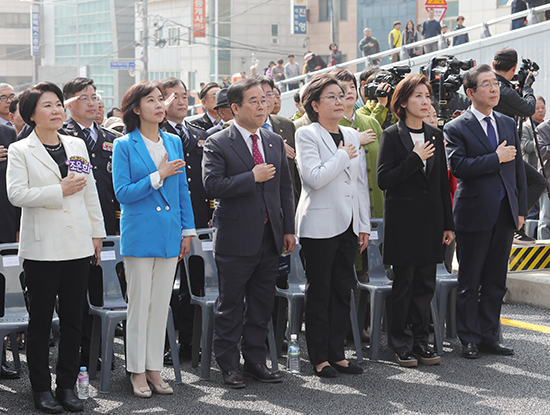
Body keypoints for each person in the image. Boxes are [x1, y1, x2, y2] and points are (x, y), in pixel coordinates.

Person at [6, 81, 105, 413]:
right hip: (42, 248)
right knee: (41, 322)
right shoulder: (22, 150)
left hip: (78, 244)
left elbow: (89, 190)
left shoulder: (76, 144)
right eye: (47, 105)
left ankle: (66, 386)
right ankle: (40, 390)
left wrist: (97, 232)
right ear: (32, 113)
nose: (57, 110)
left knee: (75, 320)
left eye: (59, 105)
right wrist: (57, 190)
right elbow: (17, 195)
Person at [202, 78, 295, 388]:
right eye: (253, 101)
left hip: (271, 236)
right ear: (235, 107)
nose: (261, 105)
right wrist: (250, 177)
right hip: (235, 237)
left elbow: (285, 189)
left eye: (264, 100)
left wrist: (288, 230)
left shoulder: (272, 140)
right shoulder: (217, 142)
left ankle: (255, 360)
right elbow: (213, 187)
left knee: (261, 303)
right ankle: (228, 365)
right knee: (230, 305)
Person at [112, 81, 196, 398]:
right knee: (140, 305)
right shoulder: (124, 145)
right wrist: (157, 175)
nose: (160, 105)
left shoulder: (173, 141)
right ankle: (136, 370)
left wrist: (187, 230)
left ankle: (153, 368)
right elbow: (123, 193)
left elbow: (183, 191)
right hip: (139, 233)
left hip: (170, 232)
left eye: (161, 99)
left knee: (161, 305)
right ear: (136, 108)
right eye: (151, 100)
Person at [444, 64, 527, 359]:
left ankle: (491, 335)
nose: (494, 89)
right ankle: (469, 338)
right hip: (474, 212)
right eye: (487, 84)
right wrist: (495, 158)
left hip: (505, 212)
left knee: (495, 280)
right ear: (470, 92)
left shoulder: (506, 122)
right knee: (470, 280)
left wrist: (520, 209)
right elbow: (459, 168)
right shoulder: (455, 127)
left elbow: (517, 169)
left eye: (496, 84)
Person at [295, 73, 370, 378]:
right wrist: (341, 155)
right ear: (315, 104)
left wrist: (363, 223)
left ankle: (337, 353)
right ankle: (319, 357)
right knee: (320, 292)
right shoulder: (307, 134)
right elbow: (314, 178)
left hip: (349, 223)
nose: (340, 101)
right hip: (319, 224)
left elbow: (360, 184)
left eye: (342, 95)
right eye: (331, 97)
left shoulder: (351, 134)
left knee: (343, 289)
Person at [378, 74, 454, 367]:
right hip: (402, 223)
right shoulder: (391, 135)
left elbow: (440, 184)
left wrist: (448, 224)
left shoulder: (435, 134)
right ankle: (400, 341)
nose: (426, 102)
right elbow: (385, 179)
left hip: (431, 221)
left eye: (427, 96)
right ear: (403, 102)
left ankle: (422, 340)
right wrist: (414, 158)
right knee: (404, 284)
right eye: (419, 96)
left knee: (425, 283)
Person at [158, 77, 212, 363]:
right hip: (168, 219)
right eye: (173, 96)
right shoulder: (155, 133)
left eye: (184, 96)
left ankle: (191, 342)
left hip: (198, 218)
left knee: (195, 284)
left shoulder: (197, 132)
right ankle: (167, 344)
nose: (181, 100)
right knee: (167, 287)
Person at [492, 47, 545, 244]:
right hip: (504, 150)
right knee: (537, 182)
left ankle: (514, 226)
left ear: (493, 65)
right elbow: (529, 108)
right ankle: (514, 226)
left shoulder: (496, 86)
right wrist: (528, 87)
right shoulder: (503, 90)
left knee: (524, 185)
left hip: (499, 148)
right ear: (514, 67)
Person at [332, 68, 383, 219]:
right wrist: (355, 139)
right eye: (343, 88)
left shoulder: (371, 122)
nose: (349, 91)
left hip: (376, 206)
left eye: (352, 87)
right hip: (343, 210)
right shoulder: (329, 125)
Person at [521, 96, 546, 168]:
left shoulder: (547, 126)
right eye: (537, 108)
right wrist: (544, 140)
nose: (541, 110)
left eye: (543, 107)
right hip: (533, 168)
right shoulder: (524, 127)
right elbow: (527, 147)